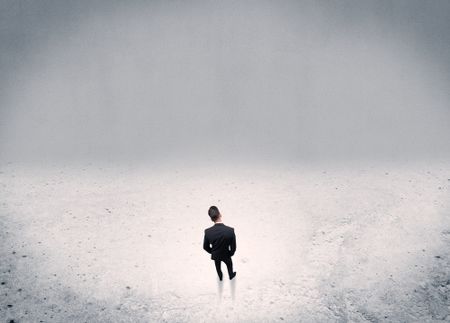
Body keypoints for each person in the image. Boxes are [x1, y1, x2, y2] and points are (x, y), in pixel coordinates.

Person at [203, 206, 237, 281]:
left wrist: (213, 251)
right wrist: (230, 253)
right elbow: (233, 247)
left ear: (211, 219)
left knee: (217, 266)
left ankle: (220, 277)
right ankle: (231, 275)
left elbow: (205, 247)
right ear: (220, 215)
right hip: (226, 254)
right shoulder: (230, 230)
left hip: (216, 255)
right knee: (229, 264)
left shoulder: (208, 231)